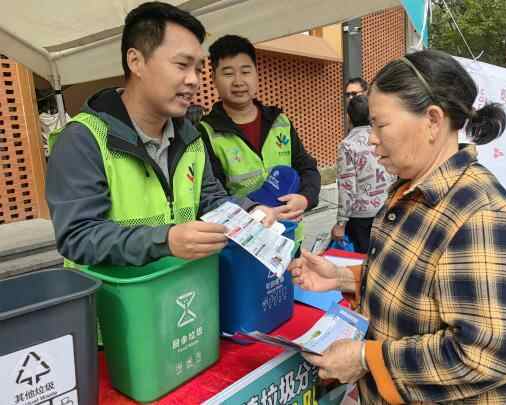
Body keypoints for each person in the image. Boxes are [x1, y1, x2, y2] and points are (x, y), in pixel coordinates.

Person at [289, 49, 506, 404]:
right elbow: (422, 278)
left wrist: (366, 357)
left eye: (380, 124)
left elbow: (485, 356)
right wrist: (343, 278)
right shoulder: (410, 188)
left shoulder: (484, 216)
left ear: (432, 120)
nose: (372, 138)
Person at [46, 2, 275, 267]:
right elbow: (78, 235)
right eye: (182, 65)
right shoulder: (83, 139)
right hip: (116, 293)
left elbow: (210, 199)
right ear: (136, 62)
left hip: (183, 287)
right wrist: (165, 240)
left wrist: (249, 210)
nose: (194, 80)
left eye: (198, 69)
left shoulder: (190, 137)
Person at [198, 35, 321, 240]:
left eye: (245, 71)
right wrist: (256, 212)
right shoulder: (206, 132)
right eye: (228, 73)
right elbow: (213, 197)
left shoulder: (279, 121)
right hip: (246, 241)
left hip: (289, 237)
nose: (238, 82)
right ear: (214, 79)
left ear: (256, 74)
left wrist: (305, 198)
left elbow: (307, 167)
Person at [331, 95, 395, 253]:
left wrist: (341, 223)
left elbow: (347, 187)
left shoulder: (347, 146)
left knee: (362, 259)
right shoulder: (383, 139)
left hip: (361, 217)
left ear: (349, 117)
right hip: (387, 209)